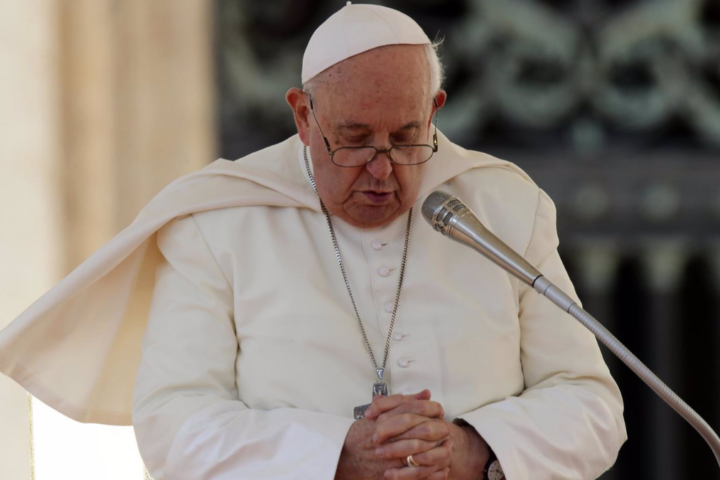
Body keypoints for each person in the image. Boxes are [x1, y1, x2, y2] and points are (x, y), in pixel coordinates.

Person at [0, 3, 626, 480]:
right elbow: (174, 426)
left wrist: (473, 447)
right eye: (353, 139)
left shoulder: (499, 208)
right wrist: (334, 457)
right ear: (303, 116)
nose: (382, 168)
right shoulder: (220, 220)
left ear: (434, 110)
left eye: (407, 136)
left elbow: (593, 407)